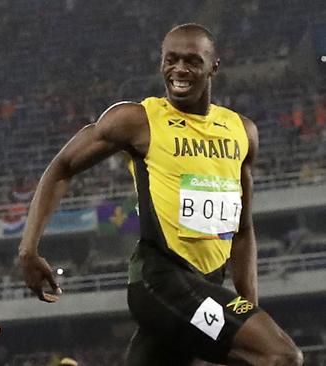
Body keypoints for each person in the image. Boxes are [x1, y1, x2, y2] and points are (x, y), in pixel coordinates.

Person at [18, 24, 303, 365]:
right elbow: (62, 166)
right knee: (282, 356)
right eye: (172, 59)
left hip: (206, 284)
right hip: (160, 280)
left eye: (192, 61)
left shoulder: (242, 132)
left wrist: (247, 305)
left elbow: (242, 230)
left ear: (214, 66)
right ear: (161, 64)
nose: (179, 69)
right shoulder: (137, 120)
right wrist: (28, 250)